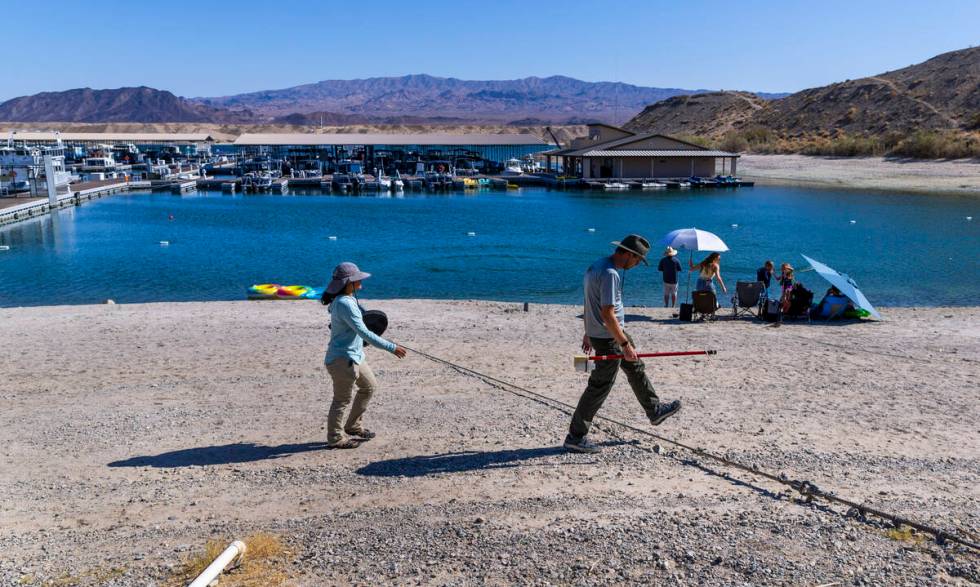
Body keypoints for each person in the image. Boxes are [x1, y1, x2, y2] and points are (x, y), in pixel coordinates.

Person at [564, 234, 682, 454]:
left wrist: (588, 331)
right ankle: (576, 436)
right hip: (610, 335)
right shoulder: (610, 273)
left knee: (635, 367)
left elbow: (589, 301)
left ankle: (654, 409)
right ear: (628, 254)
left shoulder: (596, 266)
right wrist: (624, 343)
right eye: (637, 260)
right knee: (600, 386)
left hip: (606, 332)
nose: (637, 264)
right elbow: (607, 313)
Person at [321, 262, 407, 449]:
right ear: (348, 282)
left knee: (369, 387)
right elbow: (365, 333)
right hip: (343, 360)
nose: (361, 282)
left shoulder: (344, 300)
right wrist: (392, 347)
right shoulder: (344, 303)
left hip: (356, 356)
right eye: (357, 279)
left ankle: (353, 426)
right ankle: (335, 438)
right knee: (341, 400)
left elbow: (356, 326)